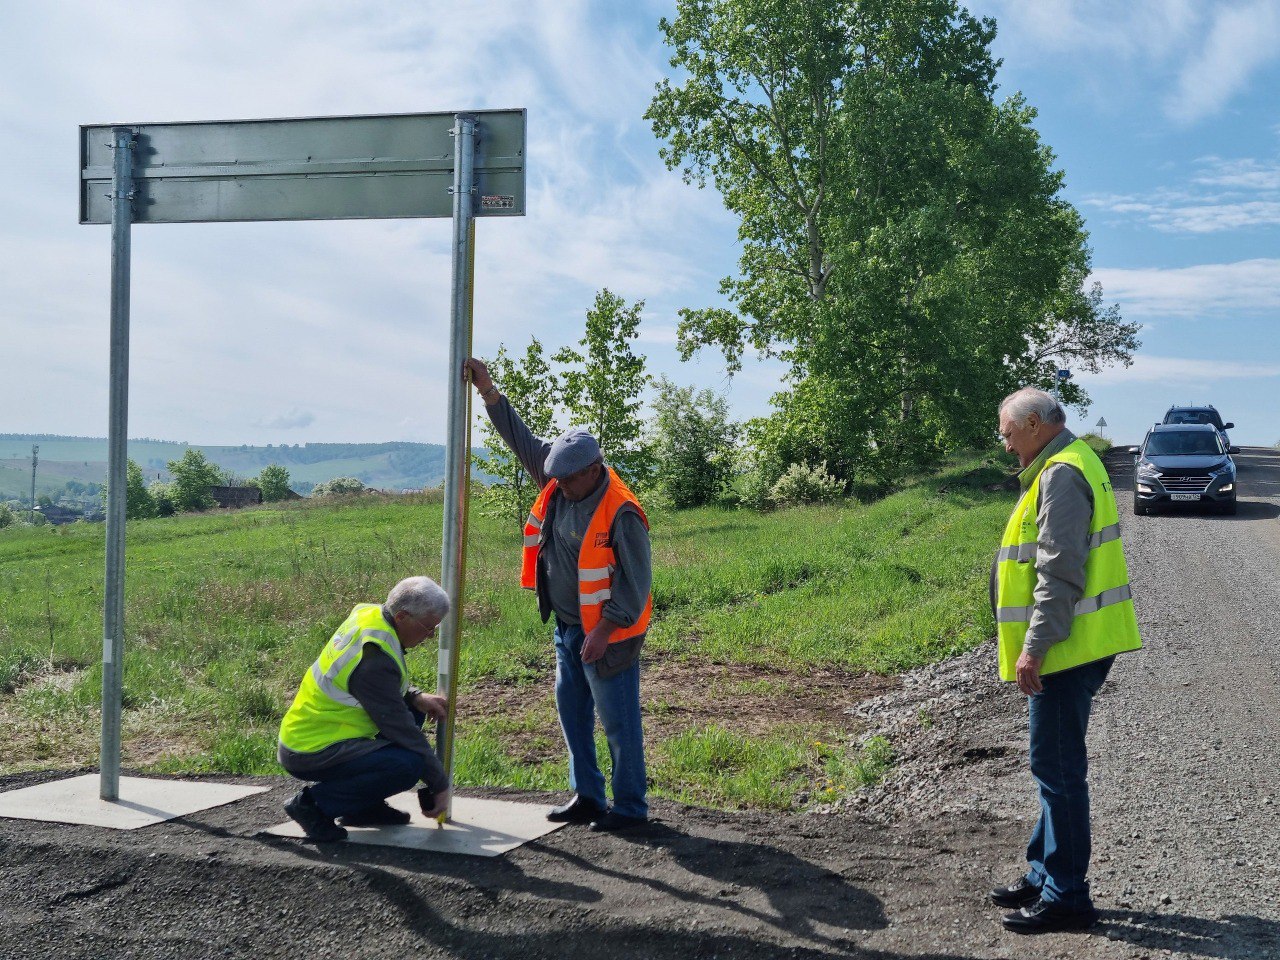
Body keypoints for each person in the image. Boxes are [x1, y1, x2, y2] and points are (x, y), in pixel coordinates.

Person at [464, 356, 653, 832]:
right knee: (572, 717)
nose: (560, 487)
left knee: (618, 724)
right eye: (556, 479)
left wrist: (605, 630)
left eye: (568, 480)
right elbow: (521, 440)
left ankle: (630, 808)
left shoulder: (621, 511)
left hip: (608, 637)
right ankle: (588, 796)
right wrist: (489, 392)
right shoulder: (559, 480)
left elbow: (636, 584)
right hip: (569, 631)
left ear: (593, 469)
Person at [989, 387, 1142, 933]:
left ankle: (1068, 895)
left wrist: (1035, 648)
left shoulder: (1061, 474)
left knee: (1057, 770)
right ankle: (1042, 872)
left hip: (1066, 649)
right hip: (1076, 644)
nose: (1006, 446)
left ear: (1034, 424)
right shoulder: (1072, 460)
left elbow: (1060, 574)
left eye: (1008, 434)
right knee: (1052, 765)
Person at [277, 575, 453, 842]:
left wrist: (414, 695)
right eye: (428, 628)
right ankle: (312, 805)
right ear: (403, 616)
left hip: (321, 733)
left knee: (414, 712)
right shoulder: (374, 660)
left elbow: (378, 689)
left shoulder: (370, 616)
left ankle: (361, 806)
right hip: (311, 749)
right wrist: (439, 784)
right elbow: (401, 729)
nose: (429, 636)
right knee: (407, 765)